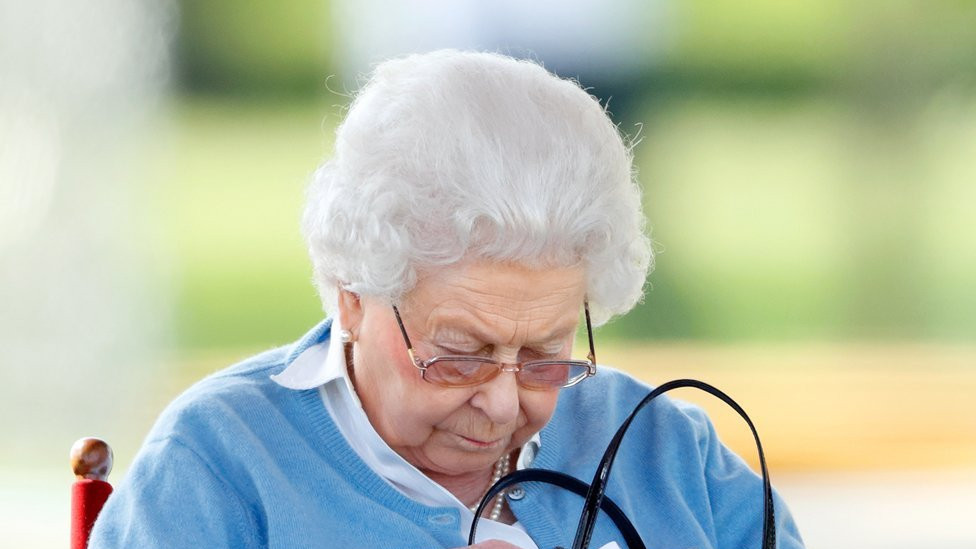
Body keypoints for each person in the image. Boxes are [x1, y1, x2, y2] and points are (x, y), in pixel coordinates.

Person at [89, 50, 804, 549]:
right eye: (459, 355)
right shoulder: (220, 462)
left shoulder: (664, 451)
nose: (500, 404)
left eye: (545, 353)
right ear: (353, 295)